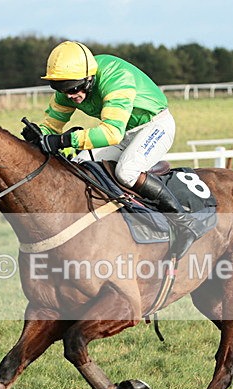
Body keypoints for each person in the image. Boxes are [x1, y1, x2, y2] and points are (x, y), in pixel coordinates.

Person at [23, 40, 195, 253]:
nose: (69, 95)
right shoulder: (69, 86)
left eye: (73, 87)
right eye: (60, 87)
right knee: (80, 164)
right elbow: (52, 126)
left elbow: (111, 133)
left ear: (89, 78)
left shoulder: (115, 77)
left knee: (126, 172)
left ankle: (184, 223)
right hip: (125, 133)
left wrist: (65, 141)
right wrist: (38, 135)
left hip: (154, 126)